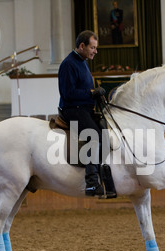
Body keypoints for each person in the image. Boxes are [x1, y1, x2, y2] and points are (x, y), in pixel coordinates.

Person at [58, 30, 106, 197]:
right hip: (72, 109)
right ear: (82, 46)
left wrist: (96, 96)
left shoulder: (83, 61)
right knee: (94, 135)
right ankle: (92, 182)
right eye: (92, 48)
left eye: (96, 48)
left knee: (104, 131)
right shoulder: (68, 64)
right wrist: (91, 93)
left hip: (84, 108)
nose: (95, 51)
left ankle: (102, 173)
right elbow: (68, 93)